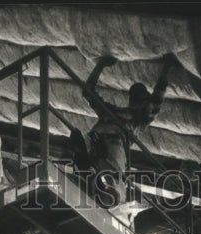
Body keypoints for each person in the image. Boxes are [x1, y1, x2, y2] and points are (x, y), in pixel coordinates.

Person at [71, 53, 176, 208]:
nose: (144, 101)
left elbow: (157, 97)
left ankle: (95, 181)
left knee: (108, 175)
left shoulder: (138, 119)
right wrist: (100, 66)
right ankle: (88, 173)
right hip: (98, 143)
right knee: (80, 146)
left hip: (111, 147)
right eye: (141, 98)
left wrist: (167, 68)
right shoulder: (121, 114)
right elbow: (88, 91)